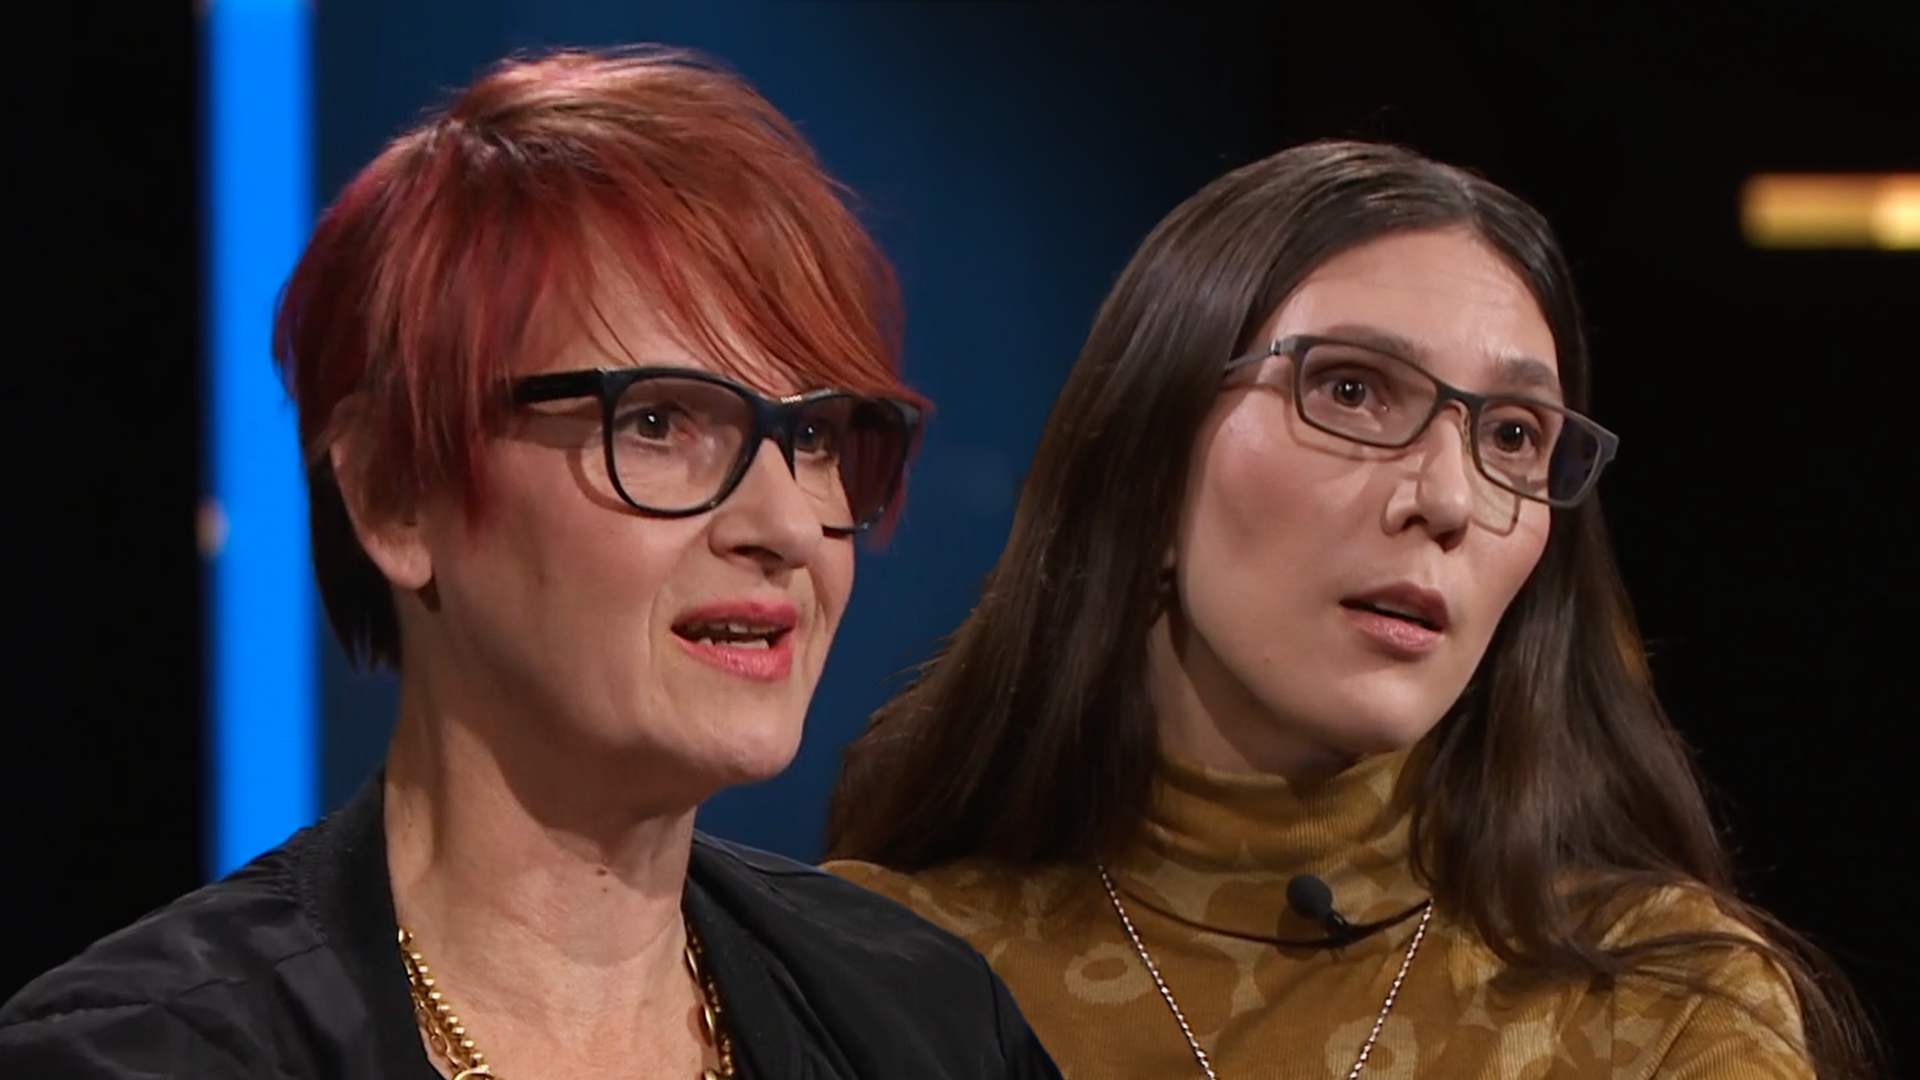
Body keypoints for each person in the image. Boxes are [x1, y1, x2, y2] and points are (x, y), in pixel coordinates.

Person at [1, 47, 1058, 1080]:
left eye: (816, 436)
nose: (784, 525)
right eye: (657, 422)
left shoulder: (928, 1022)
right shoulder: (145, 1054)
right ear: (394, 493)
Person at [824, 140, 1875, 1078]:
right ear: (1151, 456)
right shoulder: (866, 974)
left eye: (1513, 435)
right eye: (1353, 391)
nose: (1448, 499)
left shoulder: (1661, 1016)